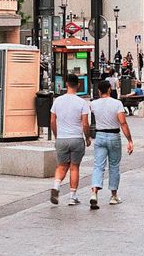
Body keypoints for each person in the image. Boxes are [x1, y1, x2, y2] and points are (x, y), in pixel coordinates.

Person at [89, 80, 134, 209]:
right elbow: (123, 123)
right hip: (114, 135)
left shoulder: (93, 104)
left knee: (98, 165)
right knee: (114, 166)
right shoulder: (117, 104)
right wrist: (129, 140)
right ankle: (113, 195)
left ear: (98, 91)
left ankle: (94, 193)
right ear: (109, 89)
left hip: (100, 136)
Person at [50, 74, 91, 206]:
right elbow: (85, 123)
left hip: (62, 138)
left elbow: (52, 120)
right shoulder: (82, 102)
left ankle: (56, 186)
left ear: (66, 84)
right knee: (74, 167)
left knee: (61, 166)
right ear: (78, 85)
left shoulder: (57, 101)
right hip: (76, 138)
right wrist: (87, 137)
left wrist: (57, 135)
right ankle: (72, 197)